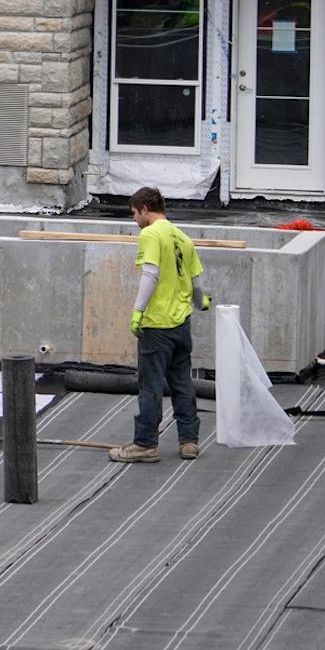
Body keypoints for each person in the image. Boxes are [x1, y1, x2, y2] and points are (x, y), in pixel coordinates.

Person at [109, 186, 212, 463]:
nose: (134, 220)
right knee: (182, 383)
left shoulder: (150, 234)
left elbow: (151, 274)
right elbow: (197, 283)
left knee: (151, 385)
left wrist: (137, 312)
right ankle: (189, 441)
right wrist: (200, 302)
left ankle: (145, 444)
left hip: (157, 324)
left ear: (144, 209)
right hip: (181, 324)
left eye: (134, 214)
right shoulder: (182, 237)